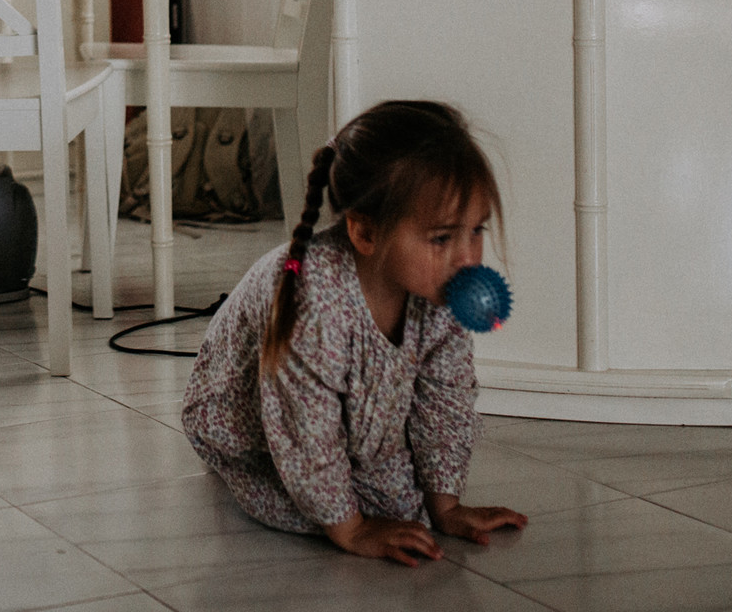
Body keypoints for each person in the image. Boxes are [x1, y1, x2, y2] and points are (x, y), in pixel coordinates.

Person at [181, 100, 528, 566]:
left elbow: (446, 399)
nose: (467, 258)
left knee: (407, 510)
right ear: (365, 233)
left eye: (476, 231)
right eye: (443, 238)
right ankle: (313, 497)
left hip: (345, 417)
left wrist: (445, 505)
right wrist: (350, 528)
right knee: (337, 503)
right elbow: (303, 426)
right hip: (252, 423)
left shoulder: (439, 291)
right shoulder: (316, 299)